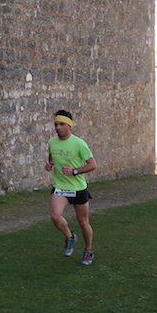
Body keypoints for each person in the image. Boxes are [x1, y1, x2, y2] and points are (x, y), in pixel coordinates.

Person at [45, 109, 96, 265]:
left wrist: (75, 171)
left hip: (78, 188)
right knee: (55, 216)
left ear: (69, 126)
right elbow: (52, 156)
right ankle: (70, 236)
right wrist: (50, 164)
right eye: (56, 124)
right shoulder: (52, 142)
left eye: (61, 124)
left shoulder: (79, 144)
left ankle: (88, 250)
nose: (58, 127)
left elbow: (92, 165)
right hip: (60, 187)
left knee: (83, 222)